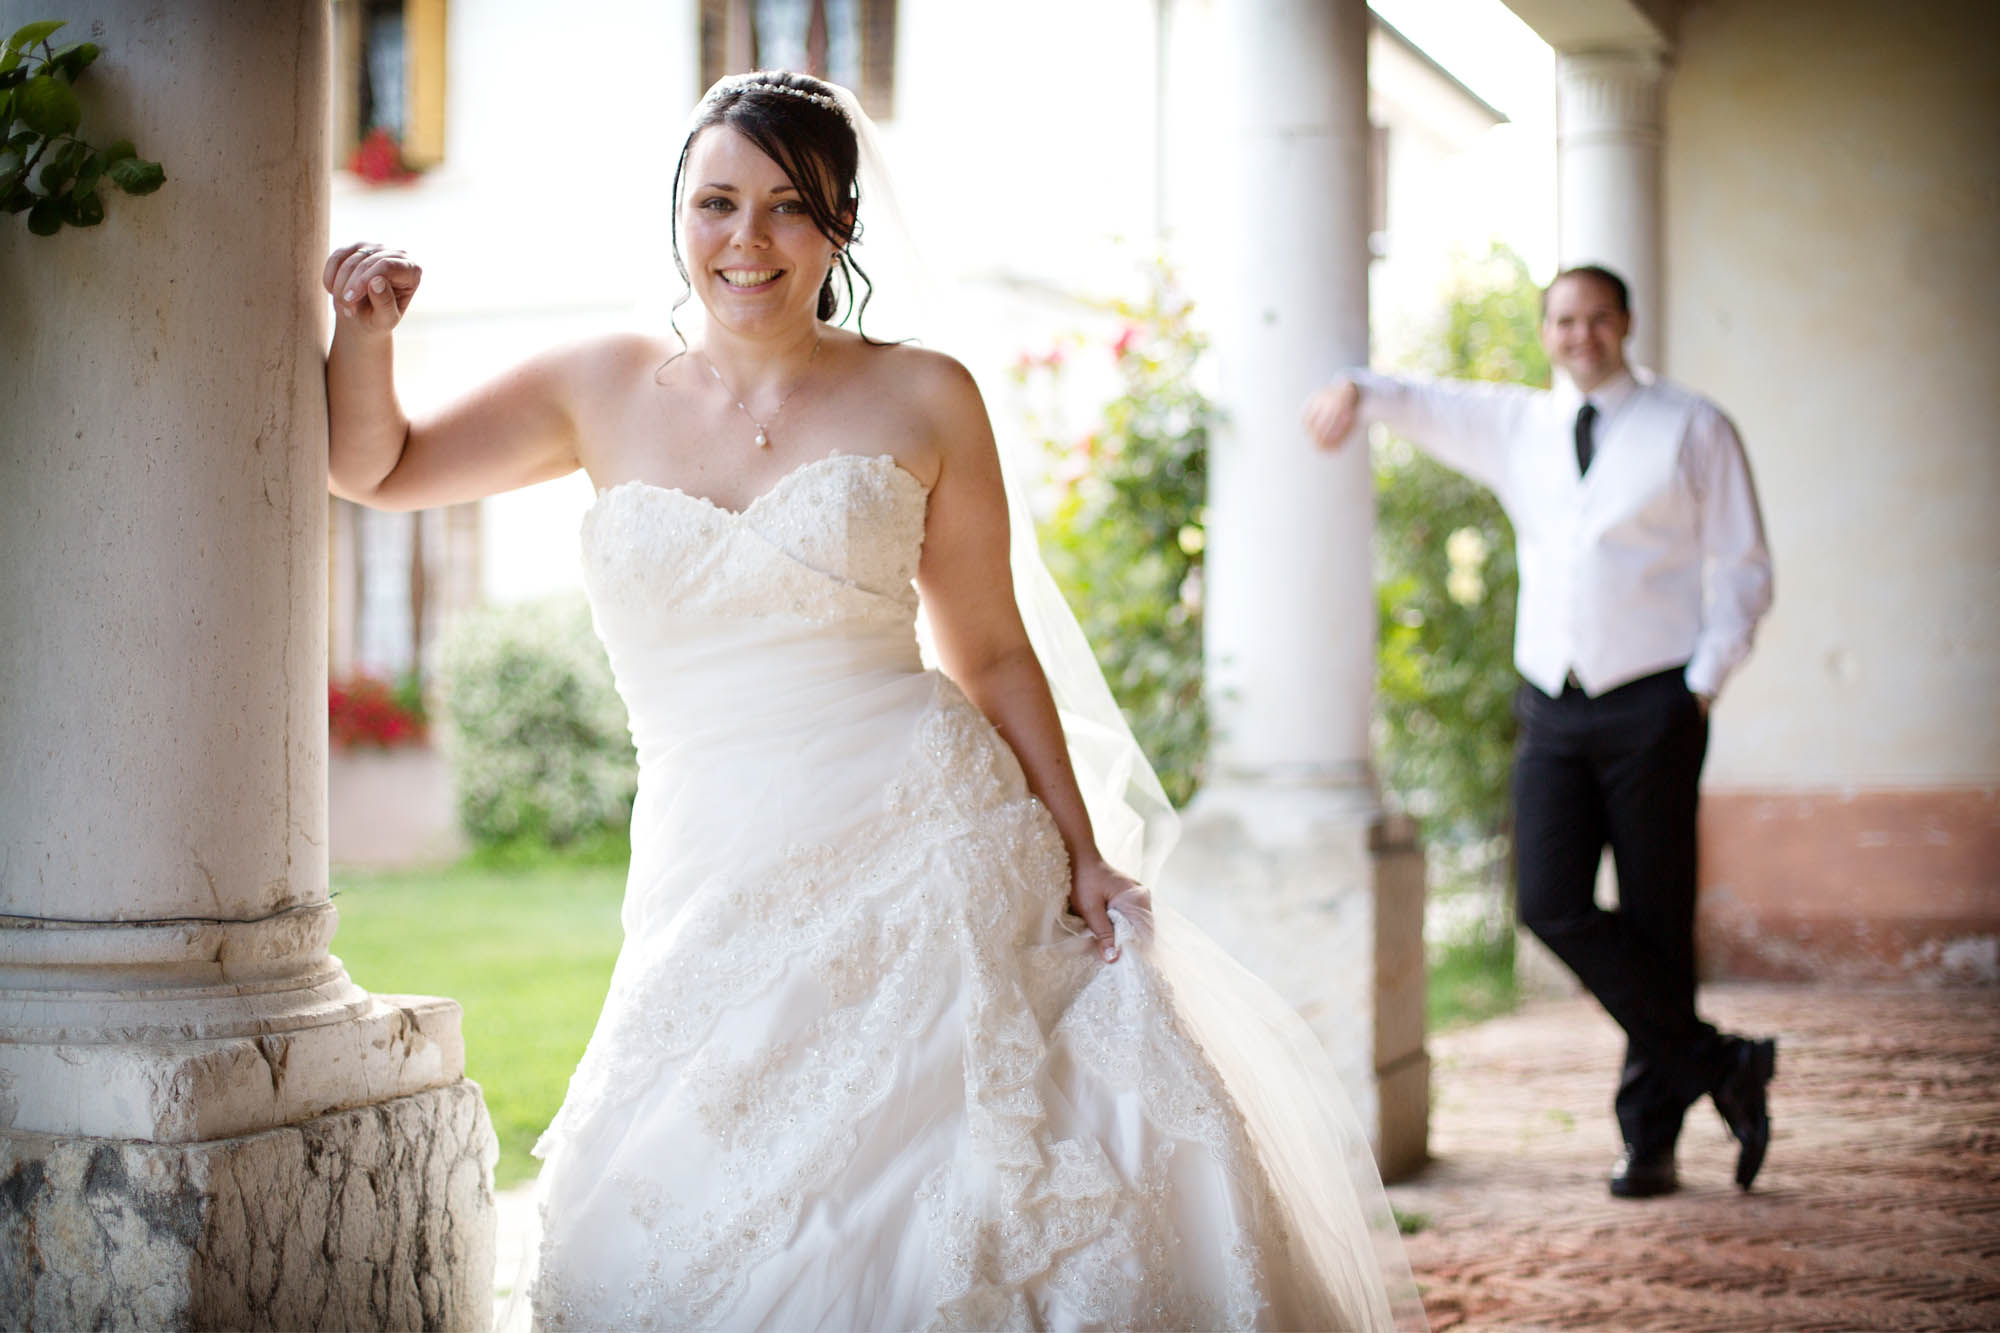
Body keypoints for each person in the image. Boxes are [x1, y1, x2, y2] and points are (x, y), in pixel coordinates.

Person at [328, 71, 1421, 1330]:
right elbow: (379, 465)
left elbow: (994, 651)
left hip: (926, 832)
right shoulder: (599, 385)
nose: (747, 241)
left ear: (841, 223)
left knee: (975, 1170)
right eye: (716, 203)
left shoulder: (923, 395)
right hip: (713, 850)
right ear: (677, 217)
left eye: (790, 207)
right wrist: (367, 331)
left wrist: (1083, 852)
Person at [1303, 265, 1776, 1200]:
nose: (1582, 335)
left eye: (1599, 317)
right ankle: (1722, 1062)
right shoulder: (1522, 426)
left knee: (1654, 915)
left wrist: (1701, 686)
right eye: (1565, 320)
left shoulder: (1693, 425)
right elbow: (1429, 402)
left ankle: (1649, 1138)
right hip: (1552, 705)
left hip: (1654, 703)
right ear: (1547, 329)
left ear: (1627, 323)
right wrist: (1357, 389)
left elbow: (1746, 566)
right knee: (1548, 900)